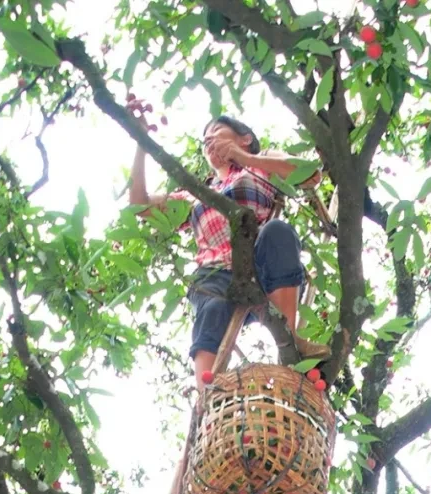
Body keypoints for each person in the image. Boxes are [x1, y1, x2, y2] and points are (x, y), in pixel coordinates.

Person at [128, 112, 329, 389]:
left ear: (245, 139)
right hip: (214, 273)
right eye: (204, 139)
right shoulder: (195, 194)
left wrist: (245, 158)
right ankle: (207, 396)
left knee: (278, 232)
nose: (208, 139)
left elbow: (311, 174)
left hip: (257, 265)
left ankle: (290, 340)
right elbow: (140, 206)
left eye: (217, 130)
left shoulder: (261, 166)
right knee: (213, 307)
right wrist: (140, 140)